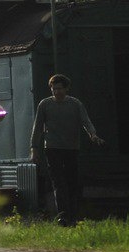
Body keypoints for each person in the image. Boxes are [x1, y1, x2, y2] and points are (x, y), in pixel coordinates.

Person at [29, 74, 104, 226]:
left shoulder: (75, 104)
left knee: (71, 182)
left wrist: (93, 135)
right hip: (52, 148)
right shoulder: (45, 104)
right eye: (53, 89)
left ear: (66, 88)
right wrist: (34, 148)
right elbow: (37, 128)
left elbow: (85, 121)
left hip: (71, 148)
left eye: (59, 88)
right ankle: (63, 217)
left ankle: (73, 216)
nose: (56, 92)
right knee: (58, 183)